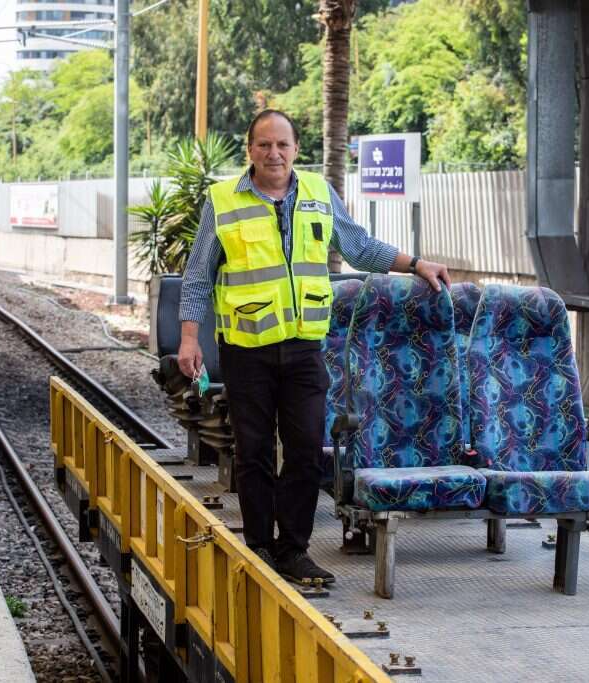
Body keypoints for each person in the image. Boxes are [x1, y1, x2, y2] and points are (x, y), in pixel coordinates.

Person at [177, 109, 450, 584]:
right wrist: (187, 338)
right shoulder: (222, 201)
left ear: (296, 149)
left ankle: (293, 549)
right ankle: (260, 546)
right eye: (264, 144)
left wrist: (416, 263)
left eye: (282, 144)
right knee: (255, 451)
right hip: (247, 348)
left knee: (305, 448)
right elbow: (200, 274)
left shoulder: (320, 195)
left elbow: (359, 247)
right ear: (250, 150)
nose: (274, 153)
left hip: (304, 347)